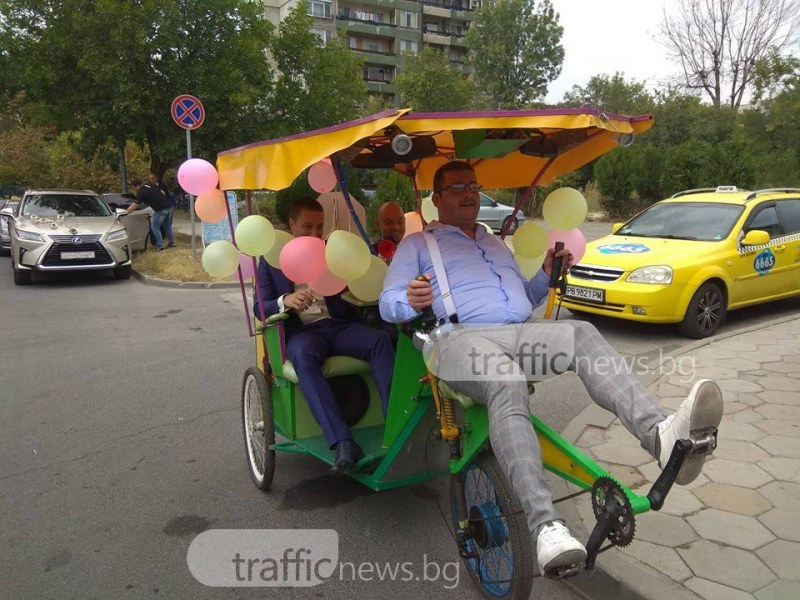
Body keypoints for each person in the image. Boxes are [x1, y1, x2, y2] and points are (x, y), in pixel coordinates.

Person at [379, 161, 723, 576]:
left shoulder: (492, 242)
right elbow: (388, 302)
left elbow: (519, 298)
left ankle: (660, 436)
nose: (468, 193)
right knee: (505, 379)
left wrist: (543, 277)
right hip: (457, 339)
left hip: (520, 330)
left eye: (473, 185)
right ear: (436, 199)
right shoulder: (418, 244)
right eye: (456, 187)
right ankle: (546, 528)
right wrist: (410, 300)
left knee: (580, 332)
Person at [253, 196, 395, 473]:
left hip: (337, 326)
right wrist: (286, 300)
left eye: (320, 228)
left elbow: (353, 288)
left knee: (379, 339)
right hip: (302, 332)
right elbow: (260, 307)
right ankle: (342, 441)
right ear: (292, 223)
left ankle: (395, 423)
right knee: (303, 356)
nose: (316, 235)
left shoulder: (331, 251)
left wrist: (352, 287)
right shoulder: (271, 260)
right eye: (307, 227)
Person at [127, 174, 175, 250]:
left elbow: (135, 205)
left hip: (161, 209)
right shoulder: (150, 185)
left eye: (134, 188)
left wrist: (126, 212)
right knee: (166, 226)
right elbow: (162, 192)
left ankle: (159, 246)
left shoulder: (141, 193)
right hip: (169, 206)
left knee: (155, 227)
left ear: (137, 186)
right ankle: (172, 242)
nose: (134, 190)